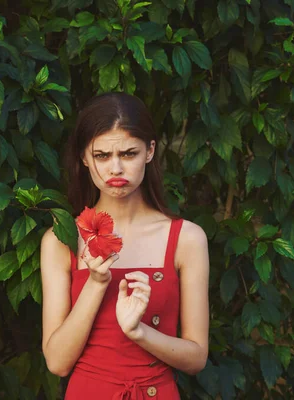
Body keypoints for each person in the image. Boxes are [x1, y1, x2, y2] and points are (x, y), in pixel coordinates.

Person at [40, 92, 210, 399]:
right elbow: (57, 362)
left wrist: (139, 333)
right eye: (102, 156)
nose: (115, 169)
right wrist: (96, 282)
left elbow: (196, 357)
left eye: (129, 154)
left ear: (150, 151)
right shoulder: (61, 240)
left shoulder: (186, 238)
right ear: (84, 158)